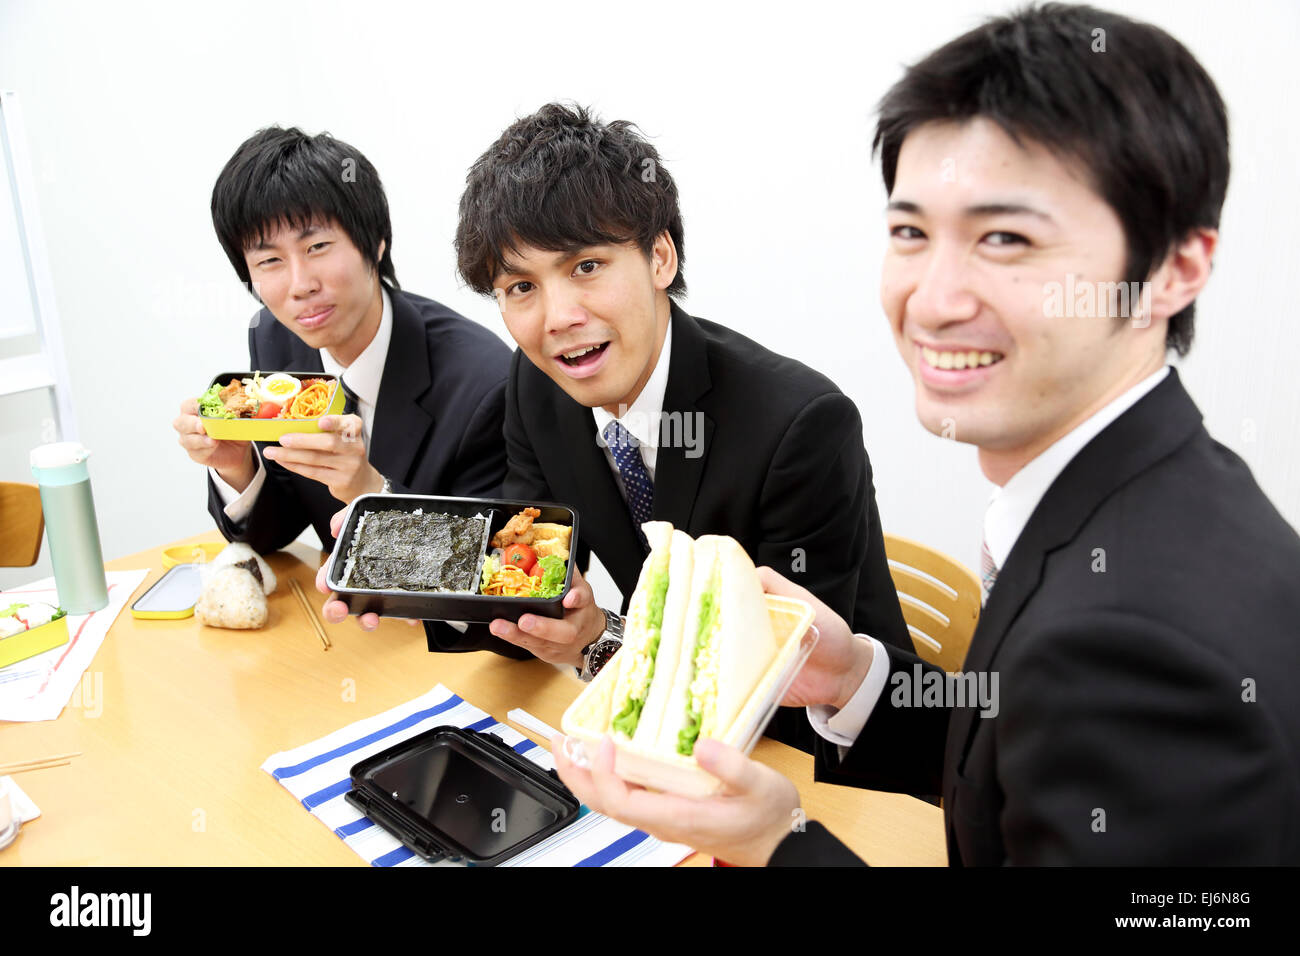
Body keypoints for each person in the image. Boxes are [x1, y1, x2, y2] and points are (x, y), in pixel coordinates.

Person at [553, 4, 1300, 865]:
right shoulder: (1138, 495)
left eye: (1007, 238)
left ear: (1174, 268)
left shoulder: (1142, 646)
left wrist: (774, 840)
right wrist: (857, 677)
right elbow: (1020, 745)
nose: (934, 299)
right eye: (911, 232)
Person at [446, 103, 911, 695]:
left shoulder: (800, 424)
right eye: (521, 287)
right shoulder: (537, 383)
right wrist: (398, 563)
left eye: (587, 266)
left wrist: (602, 640)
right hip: (667, 720)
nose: (559, 318)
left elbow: (789, 673)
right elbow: (525, 573)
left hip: (831, 747)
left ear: (659, 258)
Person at [173, 127, 511, 561]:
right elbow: (279, 527)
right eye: (270, 260)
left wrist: (371, 492)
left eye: (317, 246)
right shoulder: (277, 339)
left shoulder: (483, 383)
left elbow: (496, 566)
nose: (300, 285)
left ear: (375, 241)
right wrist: (237, 466)